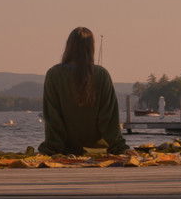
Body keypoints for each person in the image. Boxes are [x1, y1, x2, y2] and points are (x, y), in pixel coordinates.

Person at [39, 27, 129, 156]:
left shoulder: (54, 74)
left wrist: (53, 149)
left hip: (65, 149)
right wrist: (120, 147)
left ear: (69, 46)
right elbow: (109, 118)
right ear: (91, 47)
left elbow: (53, 117)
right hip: (96, 150)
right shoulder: (101, 74)